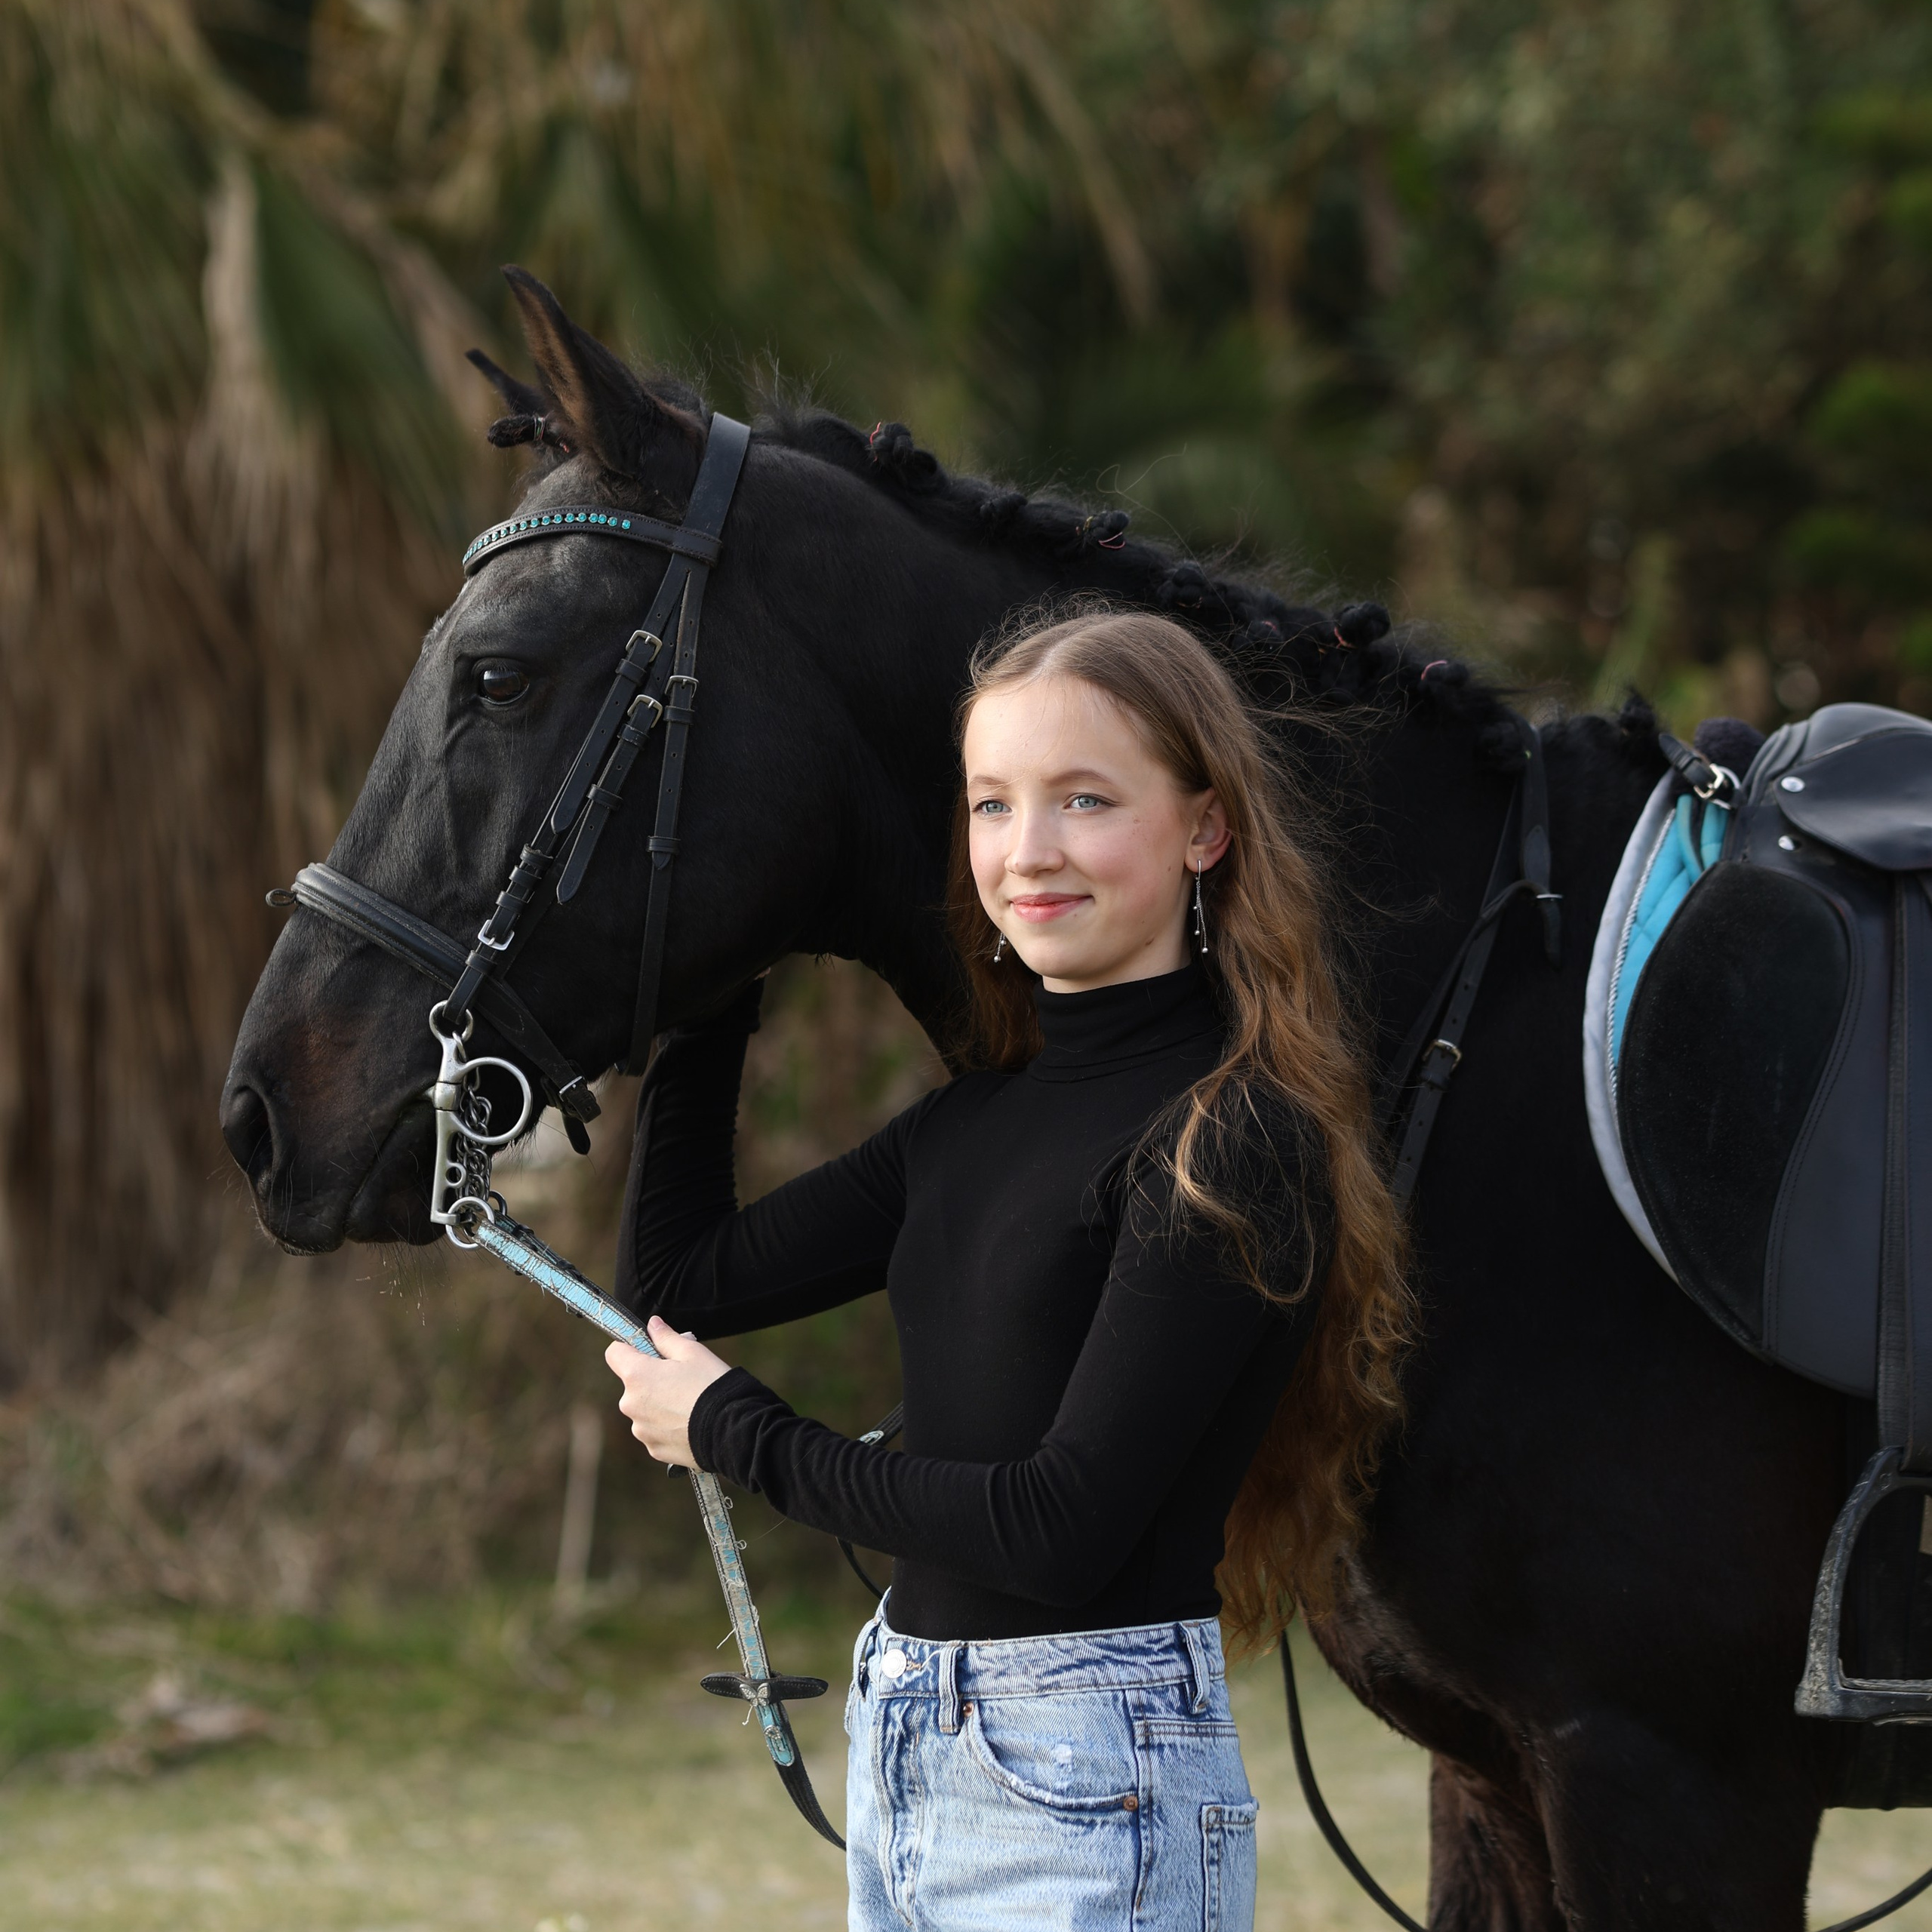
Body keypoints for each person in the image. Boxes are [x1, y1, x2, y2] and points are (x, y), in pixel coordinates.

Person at [603, 606, 1412, 1931]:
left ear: (1205, 830)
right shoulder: (973, 1124)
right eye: (991, 805)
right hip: (909, 1731)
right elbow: (680, 1277)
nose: (1026, 852)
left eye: (1084, 800)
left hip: (1094, 1775)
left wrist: (739, 1434)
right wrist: (717, 984)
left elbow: (1061, 1528)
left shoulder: (1233, 1138)